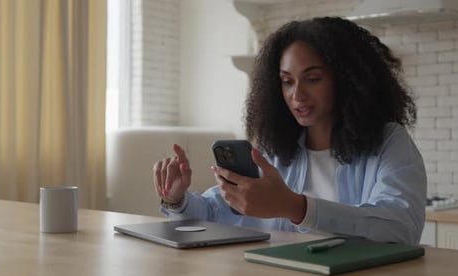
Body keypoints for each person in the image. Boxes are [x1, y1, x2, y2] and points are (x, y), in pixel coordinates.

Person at [153, 17, 426, 245]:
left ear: (347, 79)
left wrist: (297, 208)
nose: (297, 95)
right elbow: (215, 211)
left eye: (313, 79)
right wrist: (177, 200)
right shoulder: (275, 151)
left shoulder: (389, 142)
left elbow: (400, 228)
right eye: (287, 81)